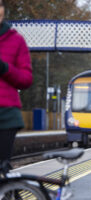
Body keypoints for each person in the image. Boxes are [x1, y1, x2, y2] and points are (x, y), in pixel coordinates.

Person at [0, 0, 33, 176]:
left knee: (2, 171)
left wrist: (5, 69)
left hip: (6, 116)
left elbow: (26, 79)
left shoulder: (16, 40)